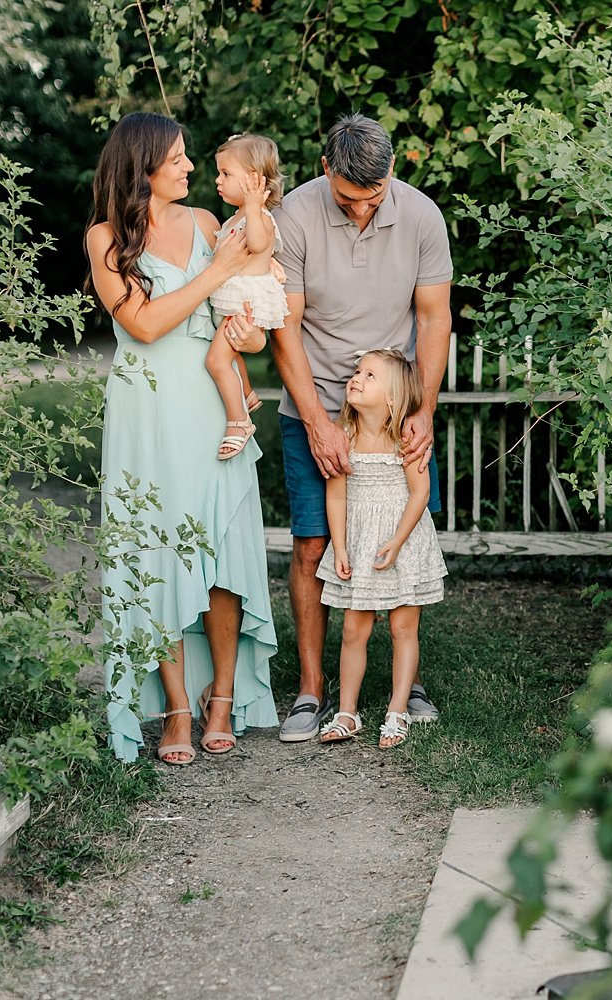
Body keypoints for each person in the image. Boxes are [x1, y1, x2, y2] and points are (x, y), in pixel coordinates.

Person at [86, 112, 280, 765]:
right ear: (142, 166)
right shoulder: (106, 239)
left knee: (223, 550)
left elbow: (245, 329)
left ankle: (220, 697)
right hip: (148, 408)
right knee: (159, 554)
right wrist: (217, 272)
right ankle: (173, 705)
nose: (190, 168)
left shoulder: (205, 225)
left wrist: (246, 330)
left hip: (211, 398)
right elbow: (143, 325)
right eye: (176, 158)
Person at [271, 113, 452, 742]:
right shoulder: (291, 218)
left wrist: (423, 409)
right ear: (327, 171)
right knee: (315, 546)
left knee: (400, 540)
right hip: (315, 403)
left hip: (394, 409)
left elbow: (433, 320)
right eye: (349, 199)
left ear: (391, 173)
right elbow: (283, 328)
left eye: (373, 198)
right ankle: (312, 690)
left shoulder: (423, 218)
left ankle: (408, 684)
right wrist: (320, 424)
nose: (361, 209)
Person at [314, 350, 447, 748]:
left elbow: (420, 492)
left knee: (402, 627)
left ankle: (397, 710)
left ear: (392, 398)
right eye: (356, 371)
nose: (356, 378)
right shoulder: (344, 437)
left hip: (402, 540)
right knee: (355, 628)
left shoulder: (406, 439)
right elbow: (335, 497)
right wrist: (339, 547)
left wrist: (398, 540)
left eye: (369, 375)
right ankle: (346, 712)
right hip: (360, 543)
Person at [206, 132, 288, 460]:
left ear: (253, 180)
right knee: (232, 357)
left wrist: (254, 206)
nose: (218, 180)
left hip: (244, 306)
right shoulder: (238, 216)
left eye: (226, 174)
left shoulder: (259, 217)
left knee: (216, 360)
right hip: (234, 302)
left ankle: (239, 421)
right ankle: (248, 394)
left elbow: (255, 243)